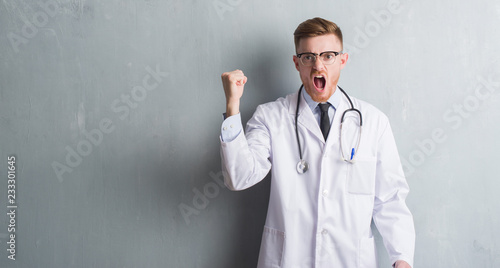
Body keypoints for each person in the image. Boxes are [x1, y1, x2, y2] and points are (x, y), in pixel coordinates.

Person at [219, 17, 415, 268]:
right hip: (289, 259)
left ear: (342, 60)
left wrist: (402, 259)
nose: (318, 65)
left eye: (328, 55)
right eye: (308, 57)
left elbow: (390, 200)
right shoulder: (270, 117)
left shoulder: (374, 122)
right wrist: (232, 105)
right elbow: (239, 177)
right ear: (297, 63)